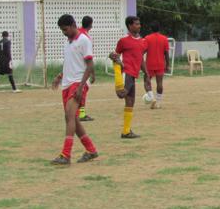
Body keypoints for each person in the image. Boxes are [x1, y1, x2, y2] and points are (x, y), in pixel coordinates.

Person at [50, 15, 98, 165]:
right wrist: (59, 76)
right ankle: (91, 150)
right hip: (67, 83)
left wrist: (81, 86)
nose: (64, 33)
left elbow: (89, 65)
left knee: (69, 116)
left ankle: (66, 154)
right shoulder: (68, 42)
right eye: (62, 30)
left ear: (73, 25)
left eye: (65, 29)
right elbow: (70, 64)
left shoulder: (84, 40)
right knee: (73, 119)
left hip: (78, 83)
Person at [109, 16, 150, 138]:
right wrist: (113, 57)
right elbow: (116, 55)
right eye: (136, 24)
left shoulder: (143, 42)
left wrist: (146, 73)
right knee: (122, 94)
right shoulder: (123, 41)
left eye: (139, 23)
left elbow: (140, 59)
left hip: (133, 75)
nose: (139, 26)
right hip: (126, 72)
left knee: (131, 102)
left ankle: (126, 131)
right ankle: (119, 87)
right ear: (130, 26)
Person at [143, 22, 170, 109]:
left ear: (151, 29)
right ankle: (158, 103)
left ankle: (151, 98)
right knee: (159, 83)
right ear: (159, 28)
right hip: (160, 64)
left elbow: (143, 51)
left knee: (146, 81)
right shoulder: (164, 38)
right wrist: (168, 65)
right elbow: (166, 53)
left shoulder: (147, 38)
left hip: (149, 64)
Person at [77, 16, 96, 120]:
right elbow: (89, 58)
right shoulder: (86, 37)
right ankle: (81, 114)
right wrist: (93, 74)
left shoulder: (76, 33)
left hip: (74, 67)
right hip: (82, 68)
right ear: (91, 25)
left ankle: (77, 112)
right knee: (83, 89)